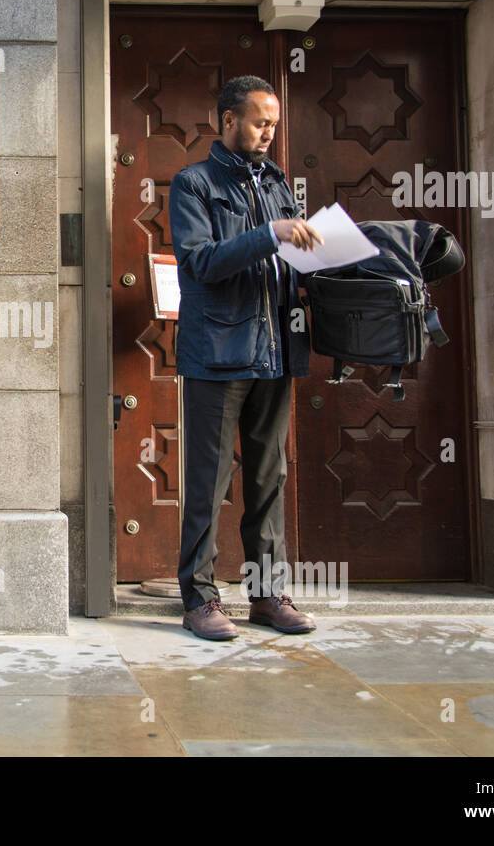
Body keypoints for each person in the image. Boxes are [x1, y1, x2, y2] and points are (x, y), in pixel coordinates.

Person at [168, 75, 322, 640]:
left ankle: (267, 596)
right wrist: (270, 234)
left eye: (274, 125)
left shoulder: (279, 183)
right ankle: (200, 600)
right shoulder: (193, 183)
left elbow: (287, 258)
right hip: (217, 356)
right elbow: (200, 261)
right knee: (208, 482)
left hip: (276, 352)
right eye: (260, 122)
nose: (268, 134)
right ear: (228, 120)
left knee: (268, 480)